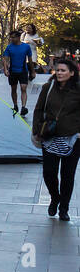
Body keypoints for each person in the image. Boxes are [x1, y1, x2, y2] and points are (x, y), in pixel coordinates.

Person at [32, 56, 80, 220]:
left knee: (68, 175)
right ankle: (55, 197)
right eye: (57, 70)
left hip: (72, 138)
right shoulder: (48, 87)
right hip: (50, 136)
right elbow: (38, 109)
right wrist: (36, 130)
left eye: (63, 70)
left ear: (72, 73)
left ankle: (64, 208)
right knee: (49, 173)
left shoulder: (78, 89)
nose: (59, 73)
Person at [2, 29, 34, 117]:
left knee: (23, 88)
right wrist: (5, 69)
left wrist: (33, 72)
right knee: (13, 89)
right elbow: (5, 59)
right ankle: (15, 105)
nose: (12, 39)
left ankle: (23, 107)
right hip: (13, 71)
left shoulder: (26, 47)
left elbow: (30, 60)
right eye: (11, 37)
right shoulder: (9, 47)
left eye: (13, 37)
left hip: (23, 70)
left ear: (18, 37)